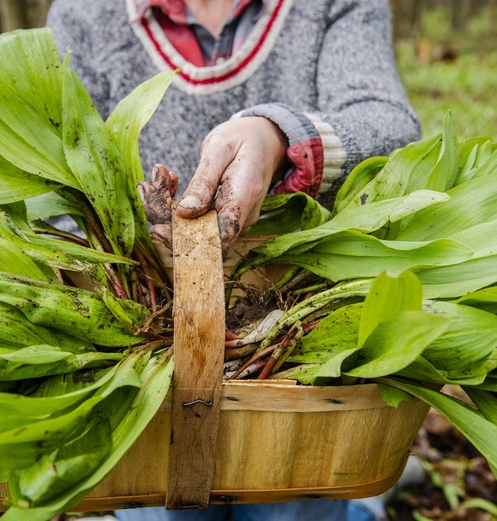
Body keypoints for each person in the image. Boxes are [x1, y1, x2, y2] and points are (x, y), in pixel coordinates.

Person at [46, 0, 423, 519]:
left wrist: (278, 134)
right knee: (160, 503)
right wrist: (118, 258)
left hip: (296, 340)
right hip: (149, 363)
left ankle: (363, 507)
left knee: (296, 503)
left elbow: (391, 126)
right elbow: (60, 179)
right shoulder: (87, 13)